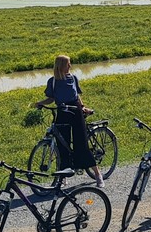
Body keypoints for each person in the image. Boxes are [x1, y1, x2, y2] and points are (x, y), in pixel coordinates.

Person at [35, 55, 102, 184]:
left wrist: (82, 107)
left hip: (75, 112)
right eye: (68, 64)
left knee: (81, 144)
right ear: (61, 66)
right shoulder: (52, 81)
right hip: (62, 112)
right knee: (62, 145)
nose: (70, 66)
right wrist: (40, 103)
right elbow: (51, 99)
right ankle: (63, 175)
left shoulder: (73, 78)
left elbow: (76, 96)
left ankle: (97, 174)